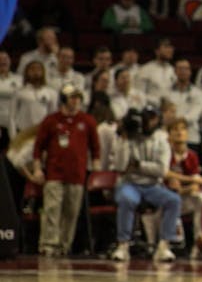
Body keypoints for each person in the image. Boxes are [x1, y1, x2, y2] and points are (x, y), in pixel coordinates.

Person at [33, 85, 100, 256]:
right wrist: (37, 168)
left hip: (77, 174)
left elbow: (95, 147)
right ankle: (49, 243)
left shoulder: (87, 121)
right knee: (52, 209)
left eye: (78, 97)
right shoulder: (51, 120)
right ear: (63, 99)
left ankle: (64, 245)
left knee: (71, 212)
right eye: (71, 97)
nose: (75, 101)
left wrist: (96, 168)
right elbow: (38, 147)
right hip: (55, 172)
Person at [108, 107, 181, 262]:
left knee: (173, 200)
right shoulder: (129, 136)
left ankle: (164, 245)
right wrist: (125, 138)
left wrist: (140, 166)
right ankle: (123, 245)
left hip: (153, 186)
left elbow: (162, 170)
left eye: (153, 118)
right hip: (129, 183)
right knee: (128, 199)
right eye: (147, 117)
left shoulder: (161, 139)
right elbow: (121, 166)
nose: (149, 121)